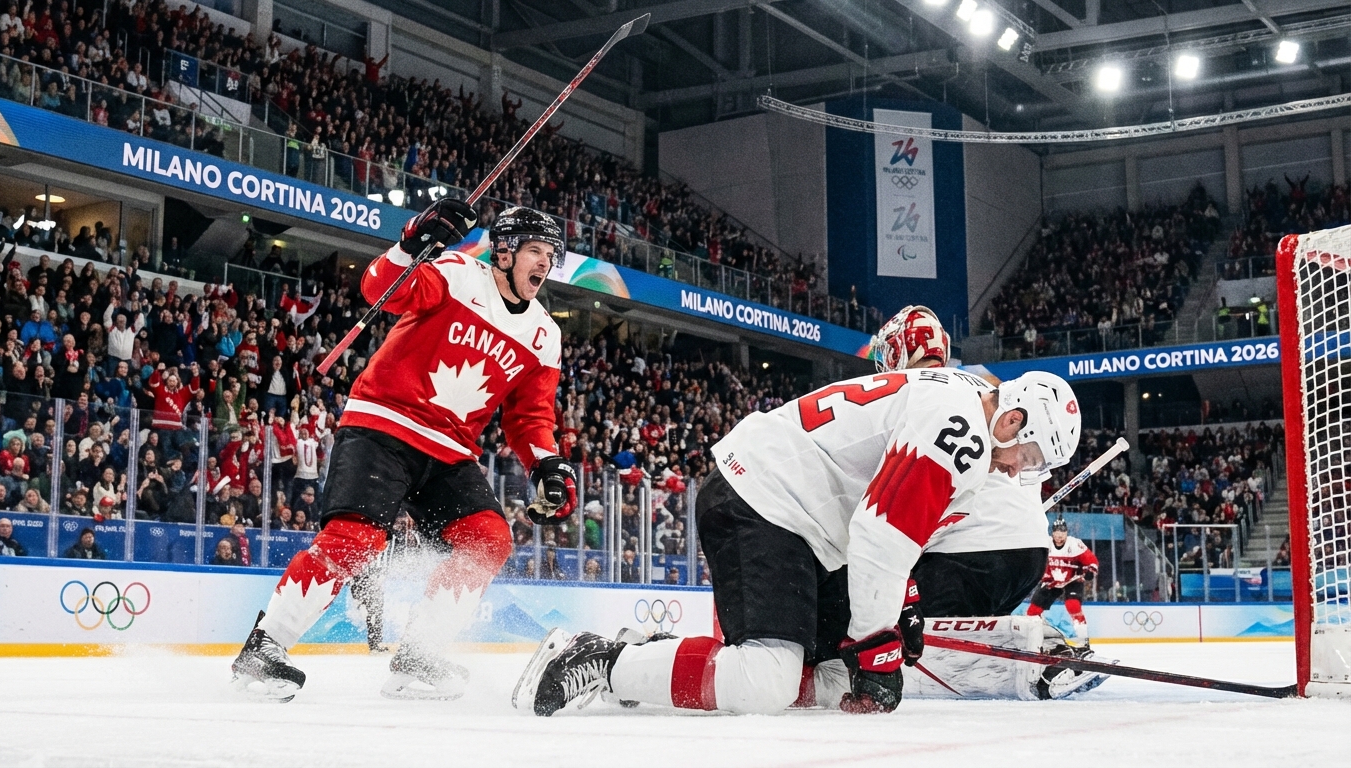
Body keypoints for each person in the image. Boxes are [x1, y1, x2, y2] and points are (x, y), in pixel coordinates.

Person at [517, 360, 1079, 717]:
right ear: (1011, 420)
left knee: (831, 676)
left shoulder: (951, 399)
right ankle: (603, 658)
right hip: (767, 500)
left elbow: (890, 533)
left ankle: (656, 657)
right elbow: (882, 536)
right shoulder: (962, 432)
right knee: (766, 680)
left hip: (796, 519)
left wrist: (897, 614)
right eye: (1025, 457)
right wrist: (878, 653)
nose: (1016, 472)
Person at [231, 201, 577, 703]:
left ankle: (418, 655)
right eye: (535, 251)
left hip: (452, 450)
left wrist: (546, 462)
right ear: (503, 252)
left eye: (551, 254)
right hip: (385, 425)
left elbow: (530, 417)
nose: (544, 263)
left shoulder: (546, 335)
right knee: (355, 538)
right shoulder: (457, 273)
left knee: (488, 538)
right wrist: (412, 242)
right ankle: (265, 647)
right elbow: (380, 289)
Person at [857, 306, 1105, 702]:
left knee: (880, 621)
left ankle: (1034, 658)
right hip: (1026, 555)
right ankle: (1040, 644)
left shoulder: (915, 390)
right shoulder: (986, 390)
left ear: (895, 352)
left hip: (968, 550)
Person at [349, 511, 423, 652]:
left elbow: (405, 556)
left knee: (376, 609)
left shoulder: (398, 538)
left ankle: (375, 644)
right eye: (397, 521)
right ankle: (374, 643)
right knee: (373, 608)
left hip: (377, 576)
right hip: (365, 574)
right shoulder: (373, 532)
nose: (399, 525)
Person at [1026, 519, 1099, 648]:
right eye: (1057, 533)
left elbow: (1091, 560)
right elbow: (1034, 560)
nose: (1059, 536)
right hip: (1051, 580)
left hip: (1073, 579)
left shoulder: (1075, 544)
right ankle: (1039, 636)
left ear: (1066, 533)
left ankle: (1083, 640)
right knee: (1032, 612)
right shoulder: (1045, 544)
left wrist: (1090, 571)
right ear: (1052, 533)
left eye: (1062, 533)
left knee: (1073, 606)